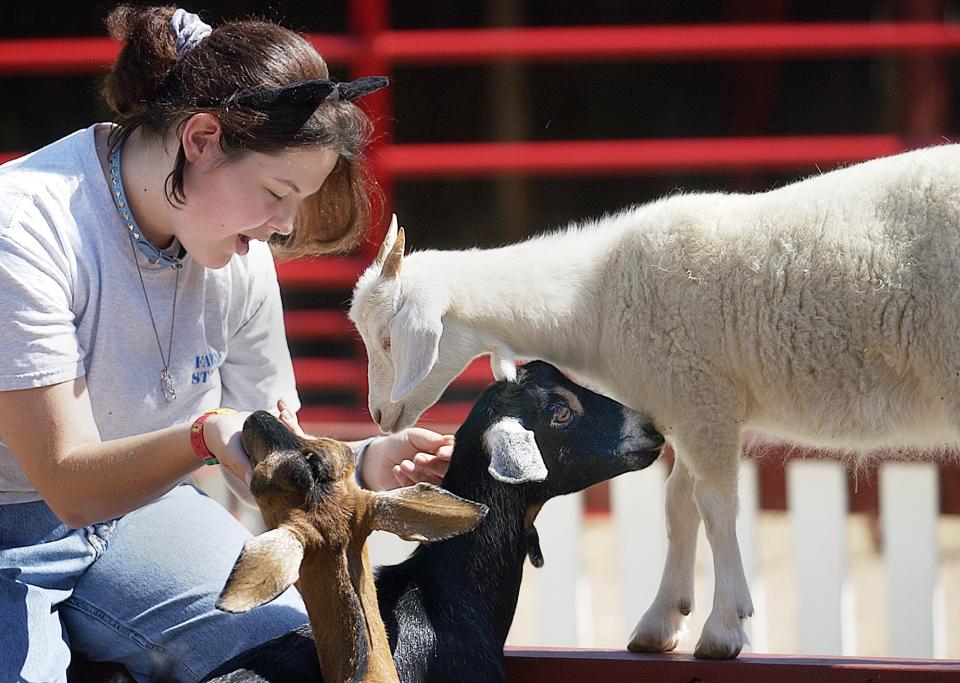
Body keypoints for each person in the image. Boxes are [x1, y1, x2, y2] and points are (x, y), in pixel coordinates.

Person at [0, 5, 453, 682]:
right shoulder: (25, 226)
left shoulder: (239, 256)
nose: (282, 226)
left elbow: (264, 451)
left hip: (144, 513)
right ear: (202, 138)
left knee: (297, 655)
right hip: (12, 522)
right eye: (277, 191)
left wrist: (362, 462)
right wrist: (201, 434)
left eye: (298, 200)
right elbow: (67, 484)